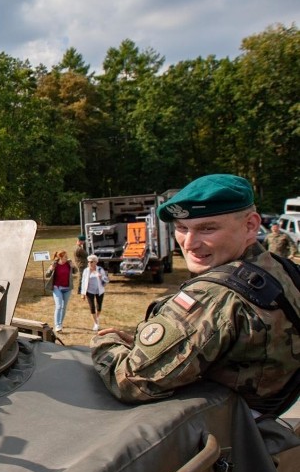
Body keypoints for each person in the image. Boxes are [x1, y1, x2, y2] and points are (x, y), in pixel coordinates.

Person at [91, 174, 300, 420]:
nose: (189, 243)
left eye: (207, 228)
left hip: (227, 434)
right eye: (181, 228)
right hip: (264, 415)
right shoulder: (281, 267)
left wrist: (106, 343)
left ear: (251, 225)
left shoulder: (213, 297)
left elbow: (129, 381)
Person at [45, 250, 76, 332]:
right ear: (60, 257)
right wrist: (51, 269)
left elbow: (75, 271)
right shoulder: (55, 264)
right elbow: (47, 274)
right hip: (57, 288)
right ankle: (57, 325)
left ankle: (60, 323)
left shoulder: (69, 263)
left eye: (67, 256)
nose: (67, 258)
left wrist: (73, 266)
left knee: (64, 307)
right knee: (59, 306)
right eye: (65, 257)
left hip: (67, 288)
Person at [79, 254, 109, 331]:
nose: (89, 263)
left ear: (95, 262)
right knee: (92, 307)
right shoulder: (86, 271)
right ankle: (95, 323)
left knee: (99, 307)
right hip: (89, 291)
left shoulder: (100, 269)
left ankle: (97, 317)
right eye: (88, 262)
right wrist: (83, 293)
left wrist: (101, 277)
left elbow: (106, 279)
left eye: (91, 262)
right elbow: (83, 282)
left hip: (99, 291)